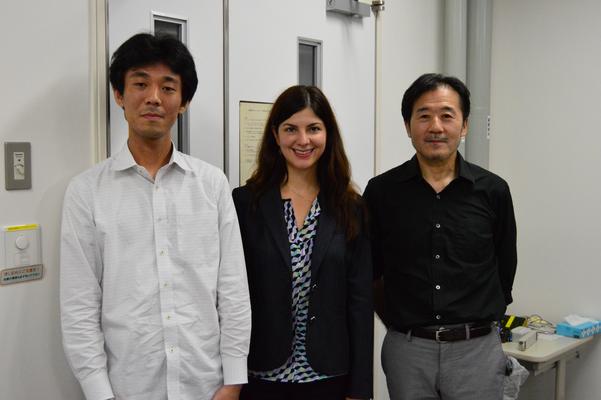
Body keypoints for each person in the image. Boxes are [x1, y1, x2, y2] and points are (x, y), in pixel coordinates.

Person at [60, 33, 251, 400]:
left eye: (168, 87)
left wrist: (233, 379)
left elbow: (232, 290)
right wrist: (99, 391)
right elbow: (79, 304)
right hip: (127, 386)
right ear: (119, 95)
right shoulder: (86, 192)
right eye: (140, 83)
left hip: (206, 383)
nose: (153, 98)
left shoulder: (211, 184)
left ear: (183, 102)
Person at [364, 73, 517, 400]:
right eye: (424, 115)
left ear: (464, 126)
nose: (436, 126)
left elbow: (505, 270)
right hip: (408, 351)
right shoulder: (381, 192)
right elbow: (371, 271)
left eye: (447, 115)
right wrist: (403, 327)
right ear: (408, 126)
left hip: (476, 351)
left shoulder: (493, 191)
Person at [233, 85, 373, 400]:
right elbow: (231, 295)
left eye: (313, 128)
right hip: (260, 372)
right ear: (275, 134)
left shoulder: (351, 208)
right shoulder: (245, 203)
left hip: (329, 374)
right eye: (291, 129)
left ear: (328, 134)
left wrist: (360, 388)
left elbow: (360, 302)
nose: (303, 140)